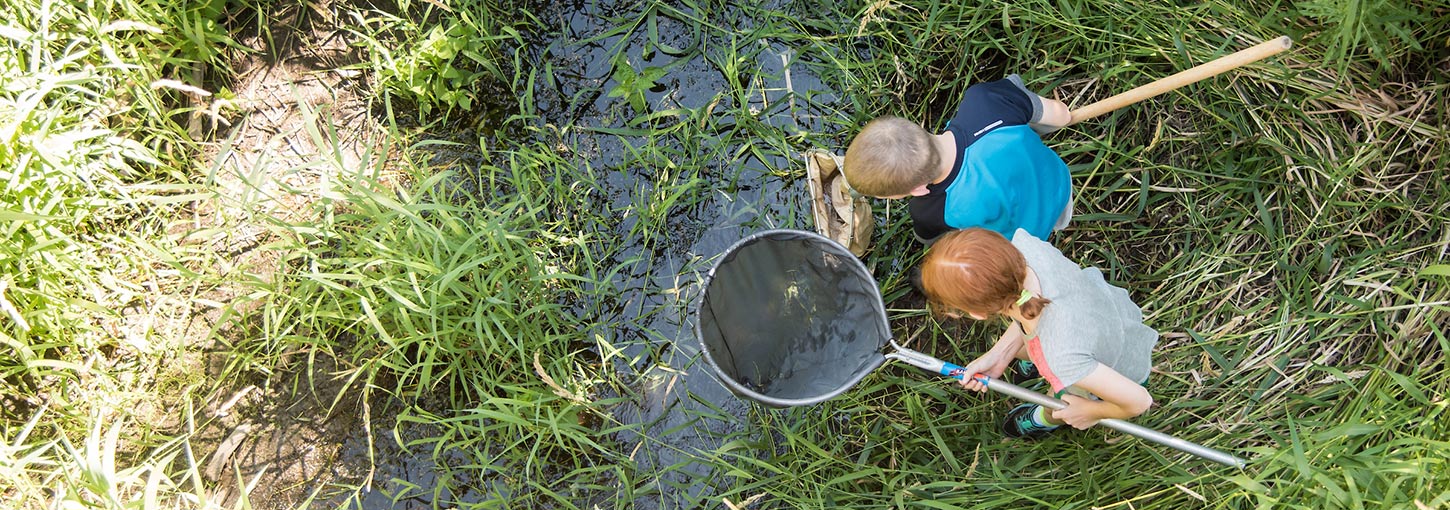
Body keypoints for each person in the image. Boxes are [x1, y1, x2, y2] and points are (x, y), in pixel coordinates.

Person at [920, 227, 1157, 439]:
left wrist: (1092, 412)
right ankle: (1036, 365)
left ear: (978, 313)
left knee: (1060, 405)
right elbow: (1035, 314)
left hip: (1117, 365)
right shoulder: (1025, 246)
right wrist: (999, 355)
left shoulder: (1062, 354)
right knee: (1032, 350)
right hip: (1106, 313)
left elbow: (1139, 401)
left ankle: (1042, 420)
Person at [843, 74, 1073, 245]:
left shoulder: (930, 210)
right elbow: (1061, 116)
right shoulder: (986, 101)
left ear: (919, 189)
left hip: (1026, 242)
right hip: (1060, 189)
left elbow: (931, 242)